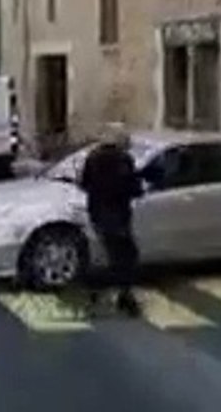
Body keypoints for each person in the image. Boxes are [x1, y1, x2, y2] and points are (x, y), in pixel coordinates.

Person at [79, 123, 143, 316]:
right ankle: (110, 292)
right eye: (126, 139)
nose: (128, 142)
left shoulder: (93, 157)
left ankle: (115, 295)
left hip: (98, 212)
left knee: (113, 254)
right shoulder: (123, 160)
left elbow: (85, 183)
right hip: (117, 214)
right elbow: (130, 187)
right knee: (126, 256)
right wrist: (138, 187)